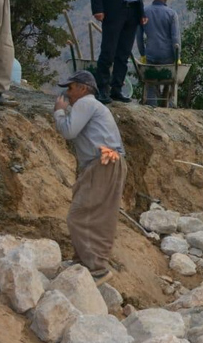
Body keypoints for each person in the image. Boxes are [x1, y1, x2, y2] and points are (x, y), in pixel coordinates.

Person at [53, 70, 127, 285]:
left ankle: (96, 268)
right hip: (105, 162)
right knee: (97, 216)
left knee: (79, 214)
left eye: (70, 88)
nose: (68, 93)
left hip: (103, 163)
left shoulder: (85, 103)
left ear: (83, 88)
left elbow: (69, 131)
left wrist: (59, 112)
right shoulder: (91, 106)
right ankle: (84, 262)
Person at [136, 0, 180, 106]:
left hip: (151, 55)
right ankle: (170, 107)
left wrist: (143, 54)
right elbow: (175, 39)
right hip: (168, 57)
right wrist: (177, 57)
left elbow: (139, 37)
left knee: (150, 83)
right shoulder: (171, 14)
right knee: (171, 81)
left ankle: (151, 107)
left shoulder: (144, 12)